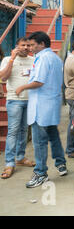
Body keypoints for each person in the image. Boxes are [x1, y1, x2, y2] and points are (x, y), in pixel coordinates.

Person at [15, 31, 67, 188]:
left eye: (32, 45)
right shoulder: (55, 58)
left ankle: (40, 173)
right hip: (51, 104)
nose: (30, 48)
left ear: (42, 44)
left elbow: (39, 81)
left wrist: (22, 87)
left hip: (41, 107)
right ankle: (61, 163)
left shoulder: (43, 58)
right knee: (53, 135)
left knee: (39, 142)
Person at [0, 38, 35, 179]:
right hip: (14, 100)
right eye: (22, 45)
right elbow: (3, 77)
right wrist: (12, 59)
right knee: (13, 131)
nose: (25, 47)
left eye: (28, 45)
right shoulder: (8, 59)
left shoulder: (33, 60)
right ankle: (9, 162)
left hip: (30, 100)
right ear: (16, 47)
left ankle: (20, 157)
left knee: (24, 130)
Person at [64, 39, 74, 158]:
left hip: (71, 94)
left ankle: (71, 148)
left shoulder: (71, 59)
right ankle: (71, 149)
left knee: (73, 122)